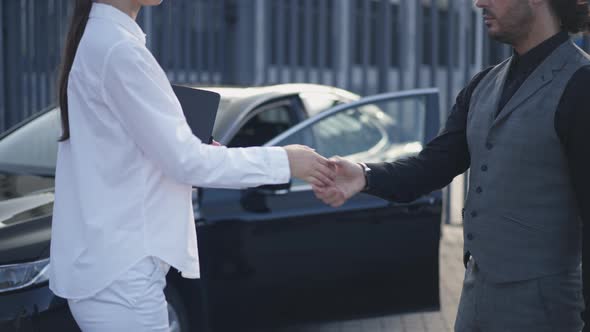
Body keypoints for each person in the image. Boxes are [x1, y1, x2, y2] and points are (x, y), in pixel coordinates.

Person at [48, 0, 335, 331]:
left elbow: (139, 156)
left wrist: (190, 148)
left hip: (113, 270)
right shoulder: (118, 50)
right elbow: (185, 162)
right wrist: (285, 161)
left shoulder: (103, 40)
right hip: (121, 275)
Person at [314, 0, 590, 331]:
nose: (479, 3)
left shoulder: (581, 85)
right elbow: (433, 165)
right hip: (475, 296)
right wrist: (363, 175)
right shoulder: (483, 84)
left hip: (547, 307)